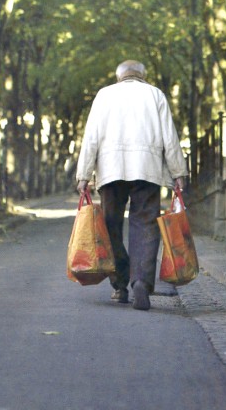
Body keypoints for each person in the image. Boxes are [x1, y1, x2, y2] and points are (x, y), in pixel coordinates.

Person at [76, 59, 188, 311]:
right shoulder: (155, 95)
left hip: (110, 169)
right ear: (142, 76)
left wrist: (83, 175)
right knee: (146, 223)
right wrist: (178, 171)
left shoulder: (104, 95)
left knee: (110, 225)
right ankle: (141, 281)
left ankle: (119, 284)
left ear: (119, 77)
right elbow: (170, 137)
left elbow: (90, 137)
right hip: (147, 169)